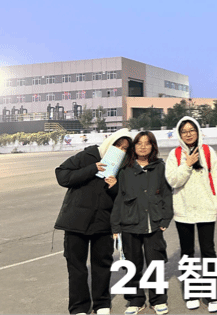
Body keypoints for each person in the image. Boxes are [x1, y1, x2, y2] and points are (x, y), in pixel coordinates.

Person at [55, 128, 133, 315]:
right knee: (77, 267)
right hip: (76, 221)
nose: (120, 150)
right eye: (118, 145)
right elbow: (62, 175)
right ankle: (79, 307)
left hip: (103, 222)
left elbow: (125, 196)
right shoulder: (89, 155)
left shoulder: (123, 167)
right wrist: (93, 168)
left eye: (125, 148)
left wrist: (115, 187)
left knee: (102, 265)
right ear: (110, 143)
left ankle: (102, 303)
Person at [165, 116, 217, 313]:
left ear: (198, 131)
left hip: (206, 208)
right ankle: (191, 293)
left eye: (192, 130)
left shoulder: (208, 151)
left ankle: (213, 295)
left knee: (208, 252)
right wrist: (187, 164)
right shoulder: (175, 154)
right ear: (179, 134)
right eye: (184, 131)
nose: (188, 134)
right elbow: (173, 181)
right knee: (187, 253)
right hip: (184, 210)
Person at [111, 131, 173, 315]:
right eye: (139, 143)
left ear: (153, 146)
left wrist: (165, 218)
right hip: (129, 223)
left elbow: (166, 194)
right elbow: (118, 199)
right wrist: (115, 226)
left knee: (156, 263)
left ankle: (158, 300)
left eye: (147, 143)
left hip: (154, 223)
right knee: (132, 264)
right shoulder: (124, 169)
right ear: (134, 147)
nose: (143, 147)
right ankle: (135, 300)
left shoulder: (160, 167)